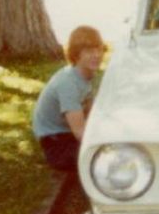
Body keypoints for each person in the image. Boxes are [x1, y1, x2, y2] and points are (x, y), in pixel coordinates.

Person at [32, 26, 106, 173]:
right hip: (56, 143)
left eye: (99, 50)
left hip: (67, 134)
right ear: (76, 55)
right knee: (108, 160)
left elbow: (90, 111)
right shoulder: (68, 84)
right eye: (90, 51)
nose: (97, 55)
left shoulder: (87, 74)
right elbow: (80, 132)